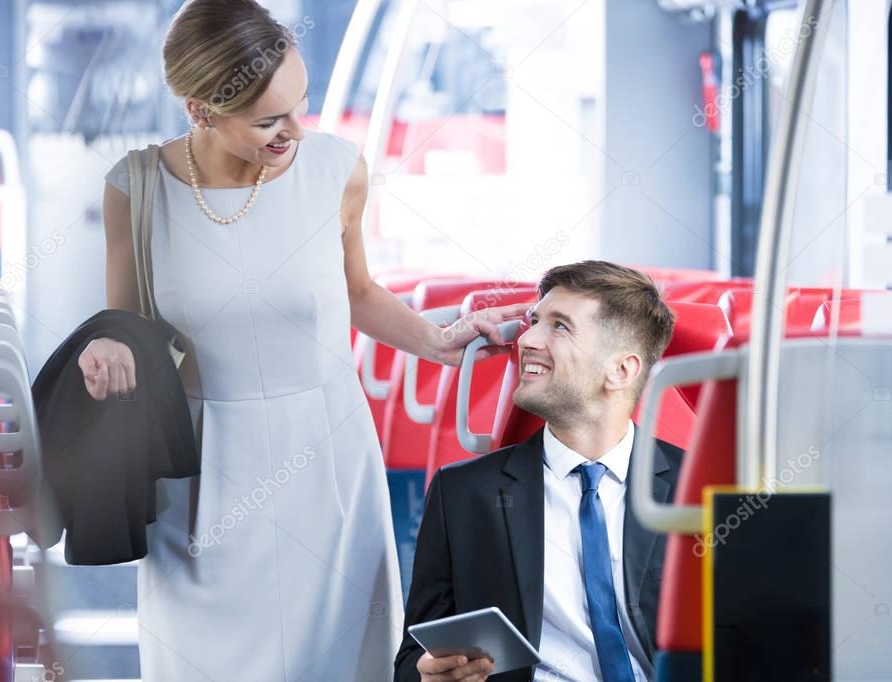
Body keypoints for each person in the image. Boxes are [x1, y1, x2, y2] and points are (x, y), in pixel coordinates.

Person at [84, 1, 529, 679]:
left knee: (339, 655)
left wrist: (442, 341)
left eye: (301, 105)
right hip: (200, 469)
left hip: (326, 458)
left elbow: (356, 293)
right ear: (199, 110)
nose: (296, 130)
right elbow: (125, 326)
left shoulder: (336, 170)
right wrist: (105, 348)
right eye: (268, 120)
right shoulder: (136, 188)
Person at [396, 261, 683, 682]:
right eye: (533, 322)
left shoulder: (697, 489)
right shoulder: (465, 494)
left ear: (621, 370)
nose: (527, 339)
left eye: (559, 326)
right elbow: (410, 661)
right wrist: (426, 675)